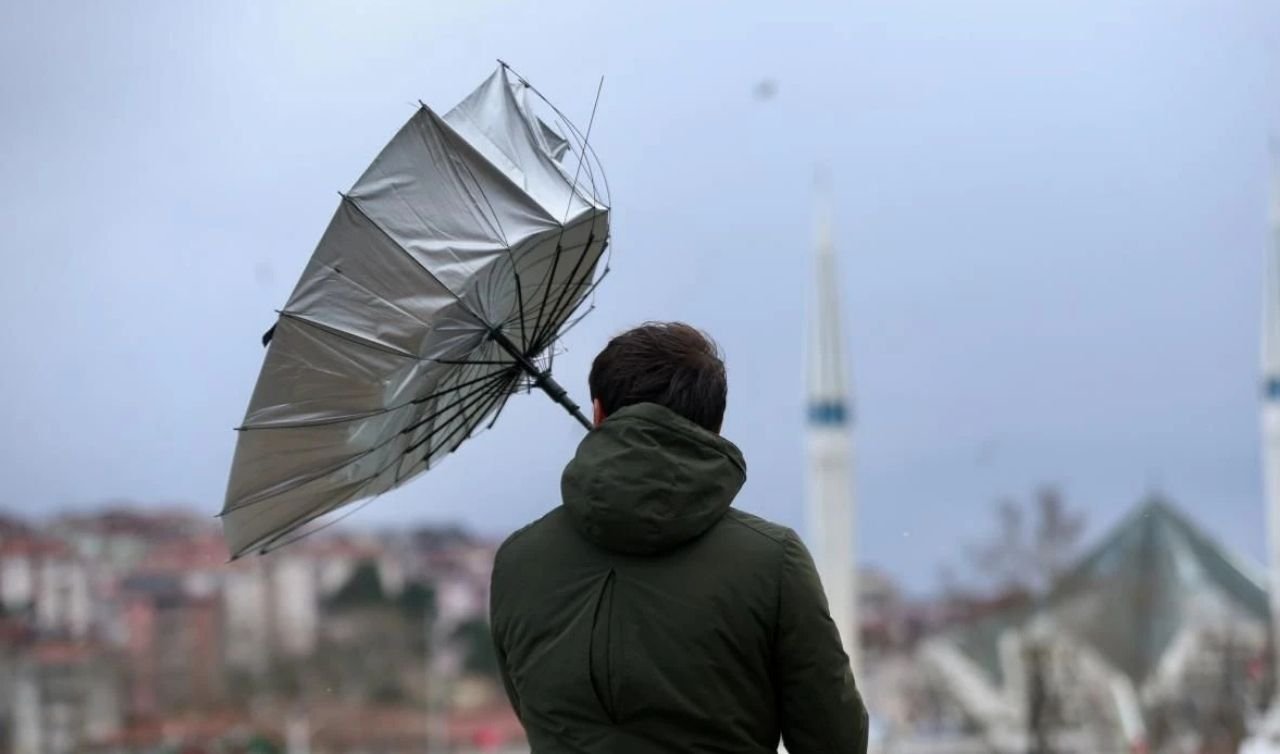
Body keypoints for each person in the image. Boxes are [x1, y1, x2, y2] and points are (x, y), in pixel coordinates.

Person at [489, 322, 868, 753]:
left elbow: (532, 709)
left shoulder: (517, 561)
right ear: (715, 425)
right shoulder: (772, 561)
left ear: (597, 413)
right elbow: (834, 739)